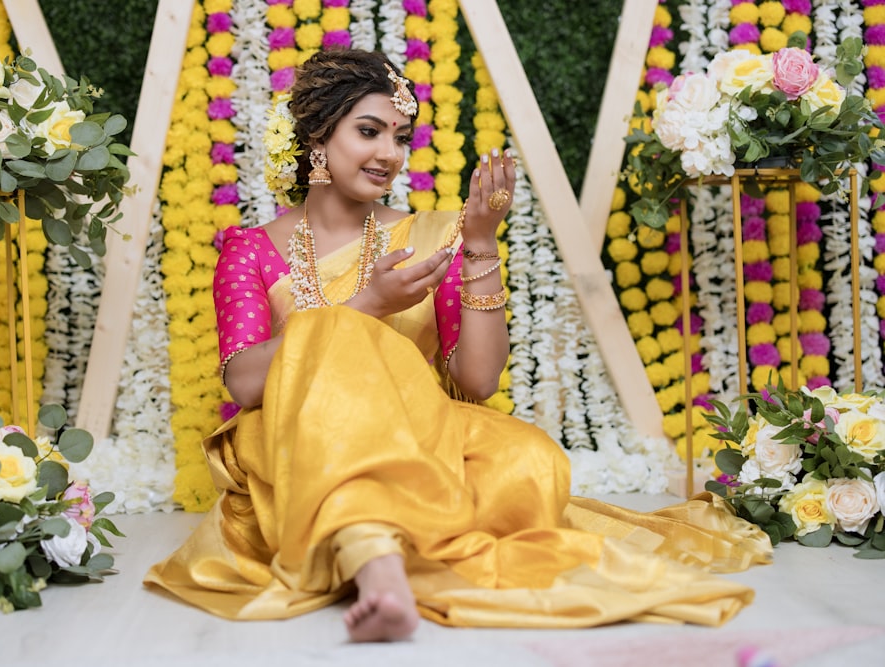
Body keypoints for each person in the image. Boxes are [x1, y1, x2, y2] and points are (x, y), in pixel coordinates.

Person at [144, 49, 772, 642]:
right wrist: (366, 307)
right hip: (294, 436)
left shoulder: (431, 236)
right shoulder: (251, 249)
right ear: (317, 139)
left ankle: (383, 543)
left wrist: (479, 242)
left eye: (400, 138)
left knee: (527, 457)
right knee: (344, 384)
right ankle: (377, 560)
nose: (389, 153)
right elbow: (246, 384)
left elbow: (475, 383)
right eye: (369, 132)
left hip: (424, 431)